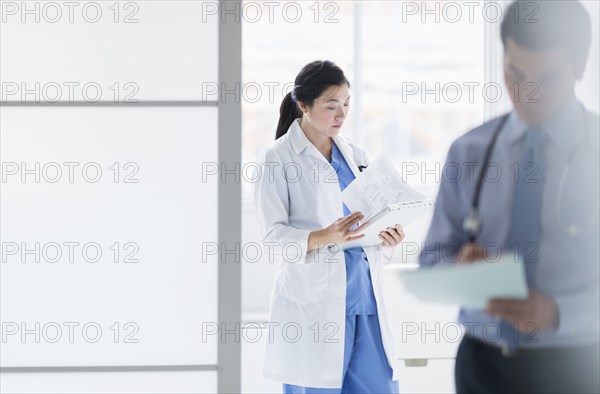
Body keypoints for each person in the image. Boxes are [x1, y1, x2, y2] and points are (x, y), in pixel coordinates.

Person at [419, 1, 599, 393]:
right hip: (481, 367)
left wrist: (557, 312)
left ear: (580, 67)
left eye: (547, 79)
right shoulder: (469, 152)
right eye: (515, 73)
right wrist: (460, 273)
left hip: (577, 366)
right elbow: (431, 263)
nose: (527, 93)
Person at [253, 60, 404, 393]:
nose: (342, 114)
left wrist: (388, 238)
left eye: (347, 104)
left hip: (365, 300)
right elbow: (272, 236)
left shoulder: (356, 154)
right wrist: (325, 236)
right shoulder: (276, 158)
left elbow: (368, 223)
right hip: (314, 306)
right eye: (331, 105)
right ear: (303, 106)